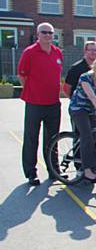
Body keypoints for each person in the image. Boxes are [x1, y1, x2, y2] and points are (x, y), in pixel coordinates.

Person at [17, 22, 63, 185]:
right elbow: (22, 75)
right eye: (44, 32)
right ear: (38, 34)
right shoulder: (29, 52)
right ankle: (31, 173)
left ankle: (53, 171)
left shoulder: (57, 52)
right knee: (31, 139)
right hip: (34, 103)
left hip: (53, 104)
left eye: (51, 33)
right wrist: (32, 91)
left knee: (52, 139)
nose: (48, 35)